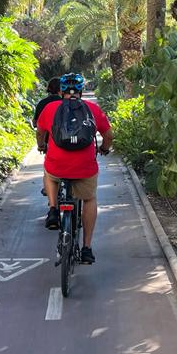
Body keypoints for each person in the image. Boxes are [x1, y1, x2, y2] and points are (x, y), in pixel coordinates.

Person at [36, 72, 112, 264]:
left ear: (61, 91)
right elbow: (108, 135)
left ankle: (53, 209)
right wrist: (104, 148)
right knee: (89, 199)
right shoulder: (93, 109)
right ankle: (86, 248)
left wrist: (41, 146)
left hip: (57, 164)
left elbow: (40, 132)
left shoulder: (51, 108)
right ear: (81, 91)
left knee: (49, 174)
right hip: (84, 167)